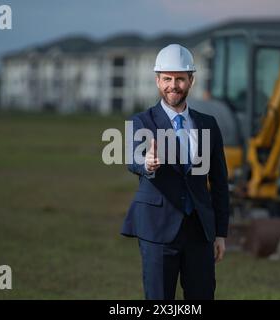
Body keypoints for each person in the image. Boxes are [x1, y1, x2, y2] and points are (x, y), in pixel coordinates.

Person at [121, 44, 230, 300]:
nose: (174, 85)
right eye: (167, 79)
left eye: (180, 79)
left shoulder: (208, 124)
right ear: (158, 81)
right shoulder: (142, 121)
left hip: (199, 233)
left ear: (191, 80)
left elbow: (219, 182)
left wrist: (220, 233)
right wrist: (147, 163)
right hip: (158, 232)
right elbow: (133, 158)